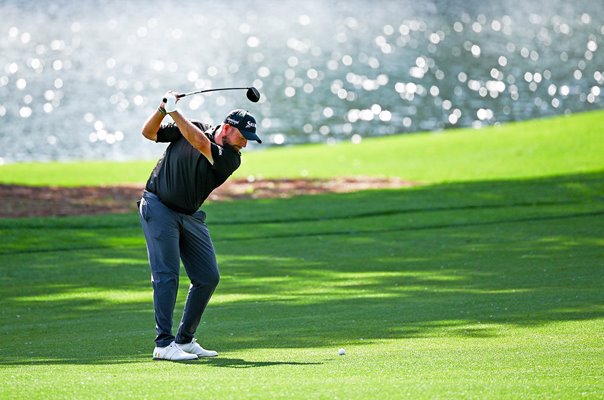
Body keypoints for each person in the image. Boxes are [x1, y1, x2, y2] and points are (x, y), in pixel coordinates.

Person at [138, 91, 262, 361]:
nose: (245, 144)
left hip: (189, 215)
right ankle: (163, 344)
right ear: (226, 129)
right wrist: (162, 109)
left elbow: (199, 142)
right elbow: (149, 133)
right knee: (167, 275)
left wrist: (174, 111)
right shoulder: (192, 127)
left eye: (248, 140)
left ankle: (184, 340)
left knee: (208, 276)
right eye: (242, 137)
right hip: (158, 207)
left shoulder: (230, 158)